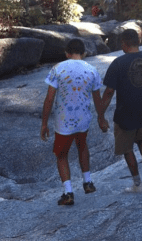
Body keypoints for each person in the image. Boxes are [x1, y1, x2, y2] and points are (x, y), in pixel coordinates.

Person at [98, 29, 142, 193]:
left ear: (124, 44)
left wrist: (101, 115)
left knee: (127, 149)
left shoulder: (118, 63)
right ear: (138, 41)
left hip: (125, 114)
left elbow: (109, 92)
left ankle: (138, 184)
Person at [41, 38, 103, 206]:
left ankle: (68, 193)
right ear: (84, 53)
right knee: (82, 146)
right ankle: (88, 182)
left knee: (61, 155)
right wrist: (101, 118)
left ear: (67, 53)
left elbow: (49, 98)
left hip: (63, 120)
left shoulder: (58, 69)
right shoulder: (92, 70)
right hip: (83, 119)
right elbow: (97, 98)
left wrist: (44, 123)